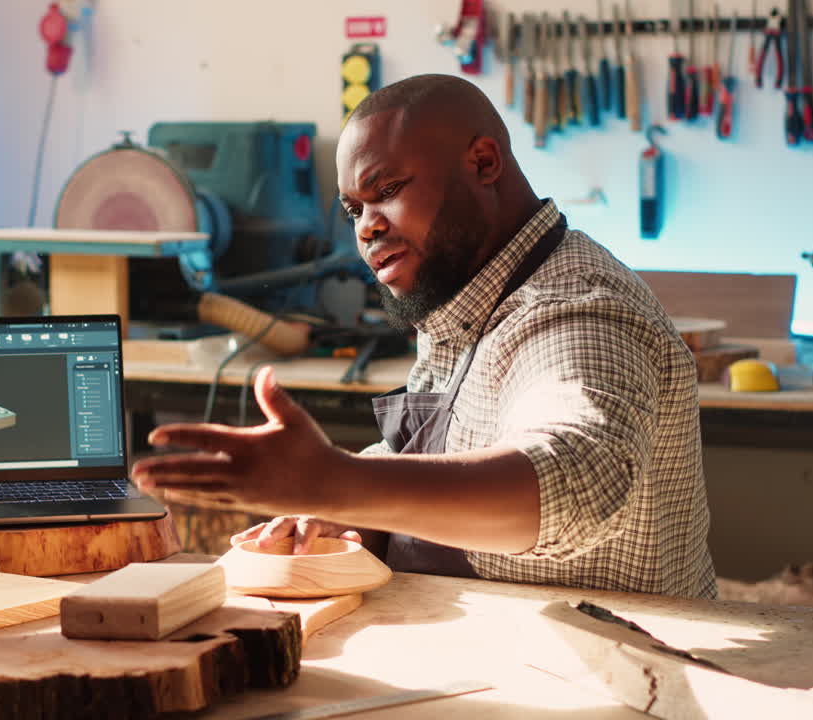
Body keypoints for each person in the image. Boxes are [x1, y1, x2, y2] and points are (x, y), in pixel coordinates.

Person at [132, 75, 716, 598]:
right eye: (352, 209)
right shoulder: (463, 294)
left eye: (386, 190)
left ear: (484, 163)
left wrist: (339, 483)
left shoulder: (575, 309)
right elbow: (441, 451)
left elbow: (576, 481)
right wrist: (343, 509)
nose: (367, 228)